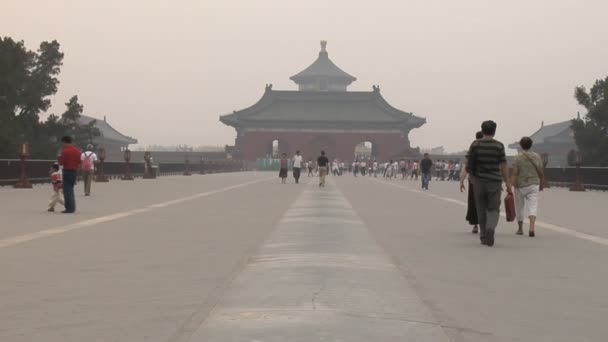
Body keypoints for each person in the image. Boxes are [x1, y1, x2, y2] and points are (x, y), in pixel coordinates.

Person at [466, 120, 512, 247]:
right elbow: (503, 164)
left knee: (481, 208)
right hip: (494, 181)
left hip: (478, 181)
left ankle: (483, 236)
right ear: (494, 131)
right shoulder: (499, 146)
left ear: (482, 130)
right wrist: (508, 182)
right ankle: (490, 228)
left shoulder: (475, 144)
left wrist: (471, 177)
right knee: (493, 208)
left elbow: (469, 162)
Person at [512, 136, 543, 237]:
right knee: (533, 206)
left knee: (519, 207)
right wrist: (541, 182)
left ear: (521, 146)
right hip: (534, 183)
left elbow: (515, 172)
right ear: (531, 145)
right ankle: (532, 228)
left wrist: (511, 183)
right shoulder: (537, 156)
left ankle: (520, 229)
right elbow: (540, 171)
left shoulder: (518, 157)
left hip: (520, 185)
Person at [460, 131, 484, 234]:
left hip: (473, 180)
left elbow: (467, 167)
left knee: (474, 202)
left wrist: (461, 181)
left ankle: (475, 225)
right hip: (487, 179)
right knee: (486, 202)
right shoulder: (490, 147)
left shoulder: (472, 148)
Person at [59, 136, 81, 213]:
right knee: (71, 189)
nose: (63, 145)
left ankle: (69, 208)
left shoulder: (65, 151)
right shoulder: (78, 151)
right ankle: (72, 207)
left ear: (65, 142)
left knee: (67, 191)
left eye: (63, 143)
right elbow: (79, 162)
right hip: (74, 172)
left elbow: (61, 162)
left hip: (67, 171)